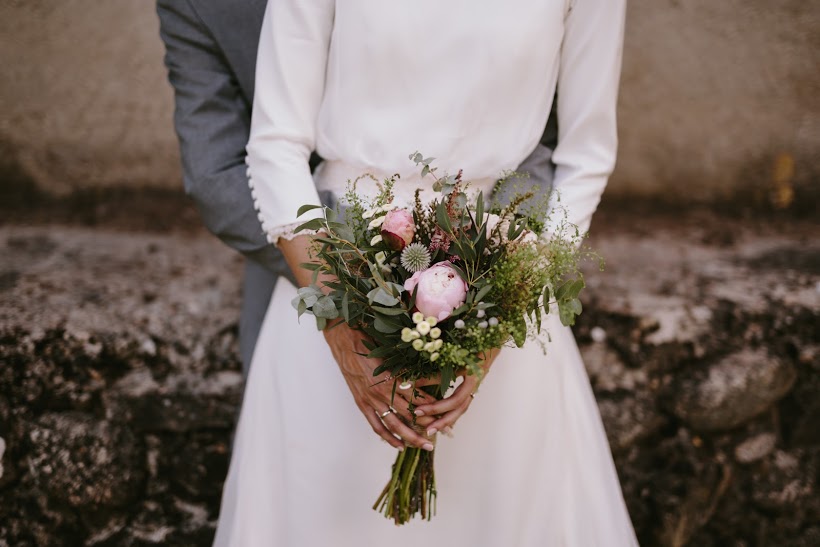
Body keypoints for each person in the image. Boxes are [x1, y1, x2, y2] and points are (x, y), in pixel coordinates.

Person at [214, 0, 638, 545]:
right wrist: (338, 323)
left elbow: (586, 158)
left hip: (499, 275)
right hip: (336, 272)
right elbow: (276, 145)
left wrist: (503, 313)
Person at [155, 0, 558, 378]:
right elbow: (217, 175)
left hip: (484, 260)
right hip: (303, 269)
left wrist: (494, 281)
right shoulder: (200, 6)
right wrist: (344, 288)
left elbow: (547, 139)